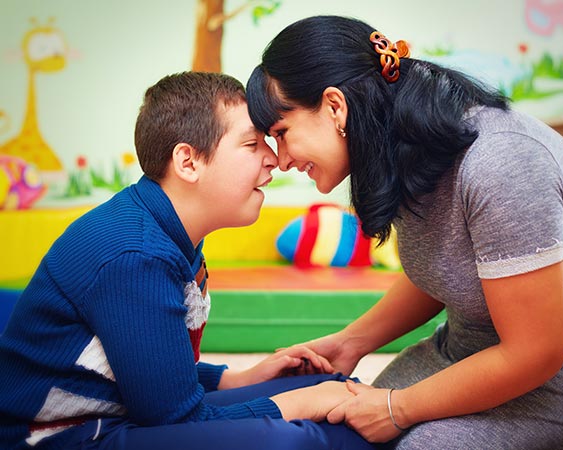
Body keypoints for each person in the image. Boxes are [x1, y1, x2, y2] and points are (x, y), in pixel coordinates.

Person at [246, 15, 563, 449]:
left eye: (282, 133)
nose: (280, 161)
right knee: (348, 425)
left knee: (421, 443)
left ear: (335, 106)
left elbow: (537, 351)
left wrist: (399, 408)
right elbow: (447, 266)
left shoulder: (501, 161)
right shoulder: (401, 144)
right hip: (470, 347)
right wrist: (350, 342)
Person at [0, 71, 376, 450]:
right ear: (188, 162)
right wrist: (298, 405)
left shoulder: (169, 233)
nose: (274, 160)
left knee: (328, 389)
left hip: (116, 414)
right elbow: (179, 419)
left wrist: (241, 379)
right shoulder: (136, 255)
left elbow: (153, 372)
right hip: (56, 436)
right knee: (295, 436)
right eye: (251, 144)